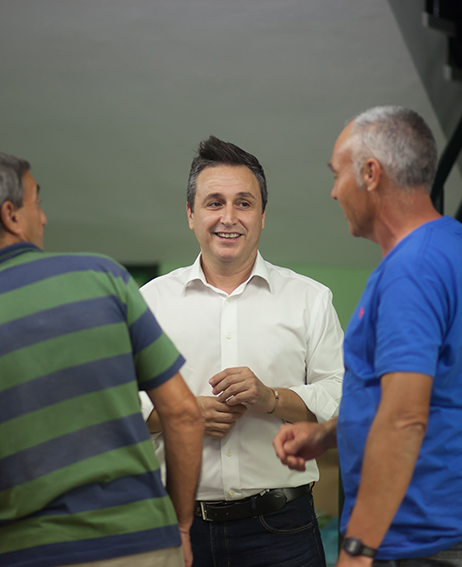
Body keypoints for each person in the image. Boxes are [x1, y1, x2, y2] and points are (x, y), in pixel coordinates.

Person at [0, 149, 203, 567]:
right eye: (37, 202)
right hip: (145, 547)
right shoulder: (105, 280)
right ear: (11, 215)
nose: (44, 218)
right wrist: (181, 526)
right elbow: (184, 414)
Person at [273, 106, 462, 566]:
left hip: (418, 536)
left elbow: (404, 417)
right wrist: (329, 434)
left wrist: (359, 546)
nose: (334, 191)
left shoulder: (411, 271)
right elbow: (432, 394)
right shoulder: (461, 249)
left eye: (337, 174)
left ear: (370, 174)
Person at [139, 136, 344, 567]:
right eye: (214, 203)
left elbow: (344, 399)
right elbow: (113, 407)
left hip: (282, 531)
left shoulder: (310, 299)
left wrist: (273, 399)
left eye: (244, 203)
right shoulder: (148, 303)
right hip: (176, 528)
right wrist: (181, 415)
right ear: (191, 214)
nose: (228, 218)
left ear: (263, 216)